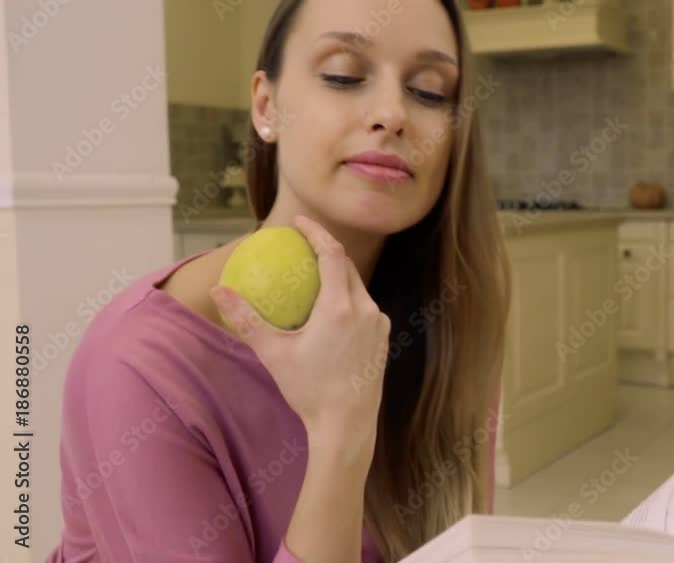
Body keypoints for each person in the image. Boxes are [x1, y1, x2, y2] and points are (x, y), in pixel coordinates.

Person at [45, 0, 511, 561]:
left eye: (431, 91)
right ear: (266, 106)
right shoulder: (138, 364)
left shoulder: (450, 323)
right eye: (343, 75)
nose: (393, 113)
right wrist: (339, 434)